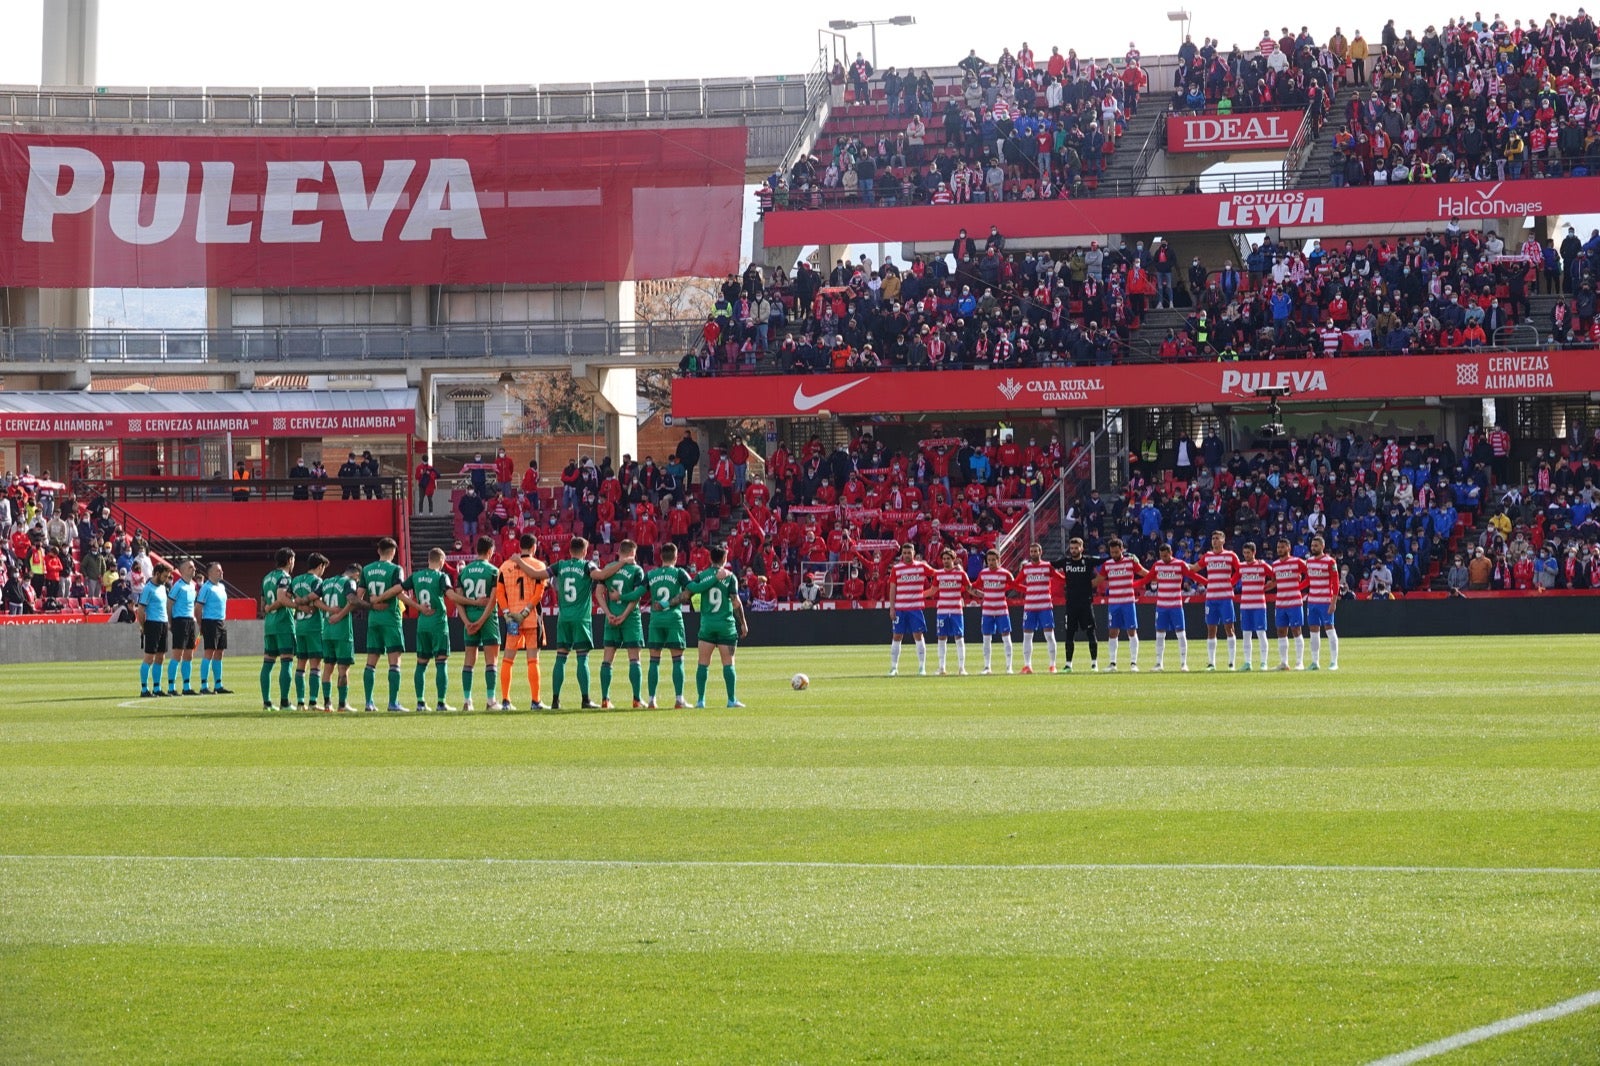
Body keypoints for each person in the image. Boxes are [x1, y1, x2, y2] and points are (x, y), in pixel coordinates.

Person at [546, 536, 624, 710]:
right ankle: (585, 699)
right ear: (584, 551)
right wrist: (621, 563)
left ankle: (555, 700)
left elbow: (542, 575)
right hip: (581, 618)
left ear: (569, 550)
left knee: (561, 658)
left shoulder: (561, 565)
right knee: (582, 658)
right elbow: (602, 575)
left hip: (563, 617)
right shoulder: (587, 565)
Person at [685, 544, 747, 707]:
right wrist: (743, 623)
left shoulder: (702, 575)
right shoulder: (730, 577)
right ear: (725, 559)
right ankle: (731, 699)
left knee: (703, 663)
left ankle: (700, 700)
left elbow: (689, 592)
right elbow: (735, 602)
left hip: (707, 625)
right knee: (729, 663)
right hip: (725, 625)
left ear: (710, 558)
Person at [495, 533, 548, 711]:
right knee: (533, 659)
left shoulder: (505, 566)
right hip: (531, 617)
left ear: (520, 547)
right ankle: (535, 701)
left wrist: (508, 613)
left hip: (512, 620)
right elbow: (539, 593)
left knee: (508, 659)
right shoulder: (539, 565)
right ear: (534, 547)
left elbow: (499, 594)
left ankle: (505, 701)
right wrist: (526, 611)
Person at [360, 538, 409, 713]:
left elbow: (359, 597)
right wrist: (381, 599)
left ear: (378, 551)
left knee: (371, 662)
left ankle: (368, 702)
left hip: (374, 619)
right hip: (390, 618)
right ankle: (393, 703)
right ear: (393, 552)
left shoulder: (366, 569)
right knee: (394, 662)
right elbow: (398, 589)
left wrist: (373, 603)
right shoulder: (396, 569)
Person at [598, 539, 648, 709]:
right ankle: (636, 699)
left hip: (611, 618)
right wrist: (624, 615)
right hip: (630, 619)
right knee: (634, 659)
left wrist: (609, 613)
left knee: (607, 659)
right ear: (633, 553)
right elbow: (636, 597)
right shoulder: (636, 570)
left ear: (619, 551)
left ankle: (605, 699)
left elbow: (598, 594)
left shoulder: (608, 569)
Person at [455, 536, 503, 713]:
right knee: (491, 661)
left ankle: (467, 700)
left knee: (469, 660)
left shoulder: (464, 572)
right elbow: (492, 600)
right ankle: (491, 700)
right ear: (490, 551)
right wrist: (482, 620)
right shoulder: (493, 571)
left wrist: (467, 621)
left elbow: (458, 600)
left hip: (469, 617)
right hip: (487, 619)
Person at [405, 547, 455, 713]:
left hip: (422, 624)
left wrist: (417, 606)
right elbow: (451, 595)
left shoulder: (416, 576)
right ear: (441, 561)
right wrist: (470, 602)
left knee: (421, 664)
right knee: (441, 663)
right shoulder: (441, 577)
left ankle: (420, 703)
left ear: (428, 560)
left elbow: (398, 591)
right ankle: (441, 703)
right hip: (438, 624)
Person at [644, 542, 693, 708]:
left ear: (660, 557)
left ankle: (651, 700)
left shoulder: (651, 574)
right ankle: (679, 699)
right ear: (676, 557)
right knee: (677, 659)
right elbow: (691, 590)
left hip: (656, 620)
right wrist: (670, 603)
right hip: (673, 618)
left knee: (653, 660)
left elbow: (638, 592)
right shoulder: (679, 573)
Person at [1145, 544, 1199, 671]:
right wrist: (1133, 584)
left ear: (1171, 553)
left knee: (1181, 634)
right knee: (1159, 635)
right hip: (1161, 606)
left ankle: (1183, 663)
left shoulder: (1180, 564)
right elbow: (1147, 579)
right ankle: (1159, 663)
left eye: (1165, 555)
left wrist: (1207, 582)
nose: (1163, 558)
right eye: (1161, 556)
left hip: (1176, 606)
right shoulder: (1157, 565)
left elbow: (1193, 576)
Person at [316, 563, 362, 712]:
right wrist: (340, 615)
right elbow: (353, 600)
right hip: (342, 632)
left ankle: (327, 704)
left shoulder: (327, 581)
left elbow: (314, 600)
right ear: (356, 575)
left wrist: (329, 611)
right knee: (343, 668)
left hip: (327, 630)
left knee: (328, 667)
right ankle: (342, 705)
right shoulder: (350, 582)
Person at [1096, 538, 1146, 671]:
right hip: (1114, 603)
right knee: (1112, 632)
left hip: (1128, 602)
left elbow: (1144, 574)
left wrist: (1160, 576)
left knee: (1131, 631)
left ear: (1122, 550)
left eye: (1116, 552)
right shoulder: (1107, 565)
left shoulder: (1131, 562)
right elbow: (1098, 580)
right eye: (1112, 552)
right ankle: (1112, 663)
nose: (1114, 554)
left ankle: (1134, 663)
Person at [887, 542, 937, 677]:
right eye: (904, 553)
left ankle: (922, 667)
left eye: (909, 553)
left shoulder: (921, 566)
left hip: (915, 608)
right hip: (900, 608)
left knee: (918, 636)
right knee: (897, 636)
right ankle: (894, 667)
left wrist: (928, 592)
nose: (907, 555)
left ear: (914, 553)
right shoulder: (896, 569)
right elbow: (892, 588)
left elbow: (937, 574)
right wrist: (892, 608)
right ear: (902, 554)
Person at [290, 553, 329, 711]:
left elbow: (288, 596)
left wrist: (298, 603)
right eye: (323, 568)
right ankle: (313, 702)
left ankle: (300, 702)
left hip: (299, 626)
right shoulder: (317, 581)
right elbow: (315, 599)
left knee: (300, 664)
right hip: (314, 626)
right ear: (320, 566)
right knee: (315, 665)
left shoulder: (296, 580)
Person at [1197, 530, 1241, 671]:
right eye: (1213, 538)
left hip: (1226, 597)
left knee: (1229, 628)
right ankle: (1211, 663)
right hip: (1211, 598)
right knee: (1211, 629)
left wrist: (1231, 582)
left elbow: (1240, 570)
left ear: (1223, 540)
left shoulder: (1230, 555)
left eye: (1217, 538)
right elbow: (1194, 568)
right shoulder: (1207, 556)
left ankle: (1231, 662)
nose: (1214, 541)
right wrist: (1204, 581)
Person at [260, 547, 297, 711]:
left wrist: (269, 608)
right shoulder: (285, 577)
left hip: (269, 625)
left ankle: (267, 703)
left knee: (268, 662)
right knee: (287, 661)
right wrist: (299, 605)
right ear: (289, 560)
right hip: (283, 623)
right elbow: (282, 598)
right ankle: (284, 702)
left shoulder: (266, 577)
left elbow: (263, 605)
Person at [1055, 536, 1099, 671]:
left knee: (1091, 632)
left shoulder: (1088, 561)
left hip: (1086, 603)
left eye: (1076, 548)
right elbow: (1048, 565)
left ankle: (1094, 664)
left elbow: (1106, 560)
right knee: (1069, 634)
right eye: (1072, 548)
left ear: (1082, 548)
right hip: (1071, 604)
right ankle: (1068, 664)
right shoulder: (1066, 562)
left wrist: (1126, 555)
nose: (1073, 550)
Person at [1016, 542, 1061, 674]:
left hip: (1045, 606)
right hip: (1030, 606)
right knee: (1027, 636)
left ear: (1041, 552)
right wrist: (1027, 590)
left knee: (1049, 635)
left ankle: (1052, 665)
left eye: (1036, 551)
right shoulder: (1026, 568)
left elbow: (1060, 578)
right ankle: (1027, 665)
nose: (1034, 553)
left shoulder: (1047, 566)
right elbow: (1015, 583)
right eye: (1032, 551)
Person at [1269, 537, 1310, 670]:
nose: (1279, 549)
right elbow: (1274, 581)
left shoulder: (1297, 562)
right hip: (1280, 602)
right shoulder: (1275, 565)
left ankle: (1299, 662)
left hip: (1294, 602)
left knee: (1296, 630)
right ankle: (1284, 663)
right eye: (1278, 547)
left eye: (1282, 547)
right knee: (1281, 631)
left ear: (1288, 548)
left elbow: (1310, 574)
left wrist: (1300, 586)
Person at [932, 547, 974, 676]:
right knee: (941, 638)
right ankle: (941, 668)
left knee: (959, 637)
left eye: (948, 559)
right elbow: (933, 590)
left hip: (956, 610)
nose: (945, 561)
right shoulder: (938, 574)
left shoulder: (961, 574)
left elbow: (970, 589)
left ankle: (961, 668)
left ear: (953, 559)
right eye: (944, 559)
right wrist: (919, 595)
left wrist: (985, 595)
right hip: (942, 610)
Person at [974, 548, 1016, 674]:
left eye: (993, 560)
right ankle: (987, 667)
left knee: (1006, 637)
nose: (991, 562)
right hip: (987, 611)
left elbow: (1014, 585)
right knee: (986, 638)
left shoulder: (1005, 573)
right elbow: (975, 586)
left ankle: (1009, 666)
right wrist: (980, 593)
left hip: (1002, 610)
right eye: (989, 560)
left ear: (999, 560)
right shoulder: (983, 573)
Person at [1303, 535, 1341, 670]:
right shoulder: (1309, 561)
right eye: (1312, 546)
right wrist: (1297, 587)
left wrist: (1334, 601)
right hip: (1312, 601)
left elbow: (1336, 583)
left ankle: (1334, 662)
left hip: (1325, 601)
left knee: (1330, 630)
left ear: (1322, 547)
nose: (1313, 548)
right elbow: (1308, 580)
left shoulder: (1330, 562)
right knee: (1313, 631)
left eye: (1316, 546)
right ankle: (1315, 662)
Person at [136, 562, 173, 698]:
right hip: (152, 624)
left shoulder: (163, 588)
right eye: (164, 576)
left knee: (161, 657)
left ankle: (157, 688)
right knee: (149, 657)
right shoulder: (148, 589)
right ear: (157, 574)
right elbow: (140, 609)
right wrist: (144, 626)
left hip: (163, 624)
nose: (166, 579)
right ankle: (144, 689)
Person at [165, 558, 200, 696]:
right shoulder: (177, 586)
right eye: (191, 567)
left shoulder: (192, 586)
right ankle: (171, 687)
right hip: (180, 621)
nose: (194, 569)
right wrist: (170, 621)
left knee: (189, 655)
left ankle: (187, 686)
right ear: (184, 570)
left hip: (190, 621)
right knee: (177, 655)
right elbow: (169, 604)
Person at [196, 561, 231, 694]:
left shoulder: (222, 587)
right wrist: (201, 624)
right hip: (210, 621)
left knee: (220, 653)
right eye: (218, 570)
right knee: (209, 653)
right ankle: (204, 686)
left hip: (221, 622)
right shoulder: (206, 588)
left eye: (221, 570)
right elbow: (198, 608)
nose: (221, 572)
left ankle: (218, 684)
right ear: (210, 573)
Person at [1236, 542, 1272, 671]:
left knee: (1261, 633)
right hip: (1245, 605)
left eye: (1248, 553)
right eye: (1244, 553)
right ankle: (1247, 662)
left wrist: (1266, 588)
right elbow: (1233, 580)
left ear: (1254, 552)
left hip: (1259, 605)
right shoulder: (1241, 567)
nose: (1246, 555)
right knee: (1246, 634)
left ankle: (1263, 662)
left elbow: (1275, 577)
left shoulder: (1262, 565)